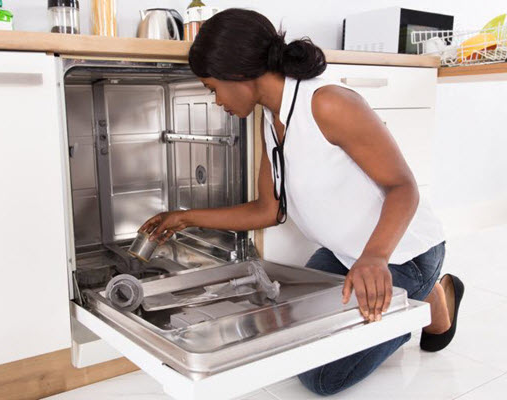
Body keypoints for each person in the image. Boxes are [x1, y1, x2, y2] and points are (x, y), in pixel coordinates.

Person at [138, 8, 465, 395]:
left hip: (400, 252)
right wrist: (186, 218)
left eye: (212, 88)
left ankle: (432, 298)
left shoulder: (327, 103)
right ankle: (419, 293)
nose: (216, 101)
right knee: (282, 329)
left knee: (321, 378)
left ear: (238, 74)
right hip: (345, 254)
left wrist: (375, 258)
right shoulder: (270, 119)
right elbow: (268, 209)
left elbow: (403, 187)